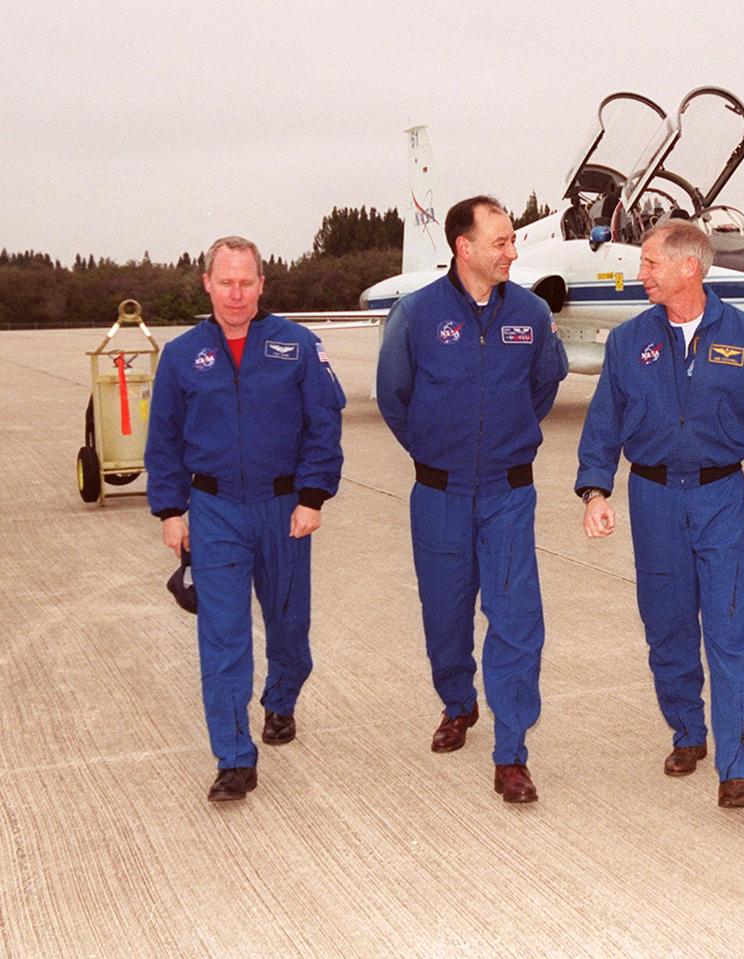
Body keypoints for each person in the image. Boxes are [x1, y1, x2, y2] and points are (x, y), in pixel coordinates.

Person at [575, 221, 744, 808]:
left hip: (719, 497)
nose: (640, 273)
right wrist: (595, 490)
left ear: (688, 269)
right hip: (652, 499)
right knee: (668, 626)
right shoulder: (629, 342)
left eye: (651, 263)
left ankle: (738, 769)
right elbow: (603, 422)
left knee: (731, 630)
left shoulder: (743, 335)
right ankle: (687, 731)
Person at [377, 196, 568, 804]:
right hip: (438, 494)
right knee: (446, 613)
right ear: (465, 248)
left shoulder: (533, 313)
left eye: (513, 241)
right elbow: (394, 396)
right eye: (502, 242)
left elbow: (543, 386)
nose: (513, 252)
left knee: (516, 622)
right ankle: (457, 704)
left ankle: (511, 751)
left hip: (509, 493)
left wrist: (504, 442)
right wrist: (441, 453)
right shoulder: (417, 314)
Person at [145, 235, 345, 802]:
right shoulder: (182, 356)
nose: (236, 294)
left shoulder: (298, 345)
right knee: (222, 637)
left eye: (246, 281)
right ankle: (233, 757)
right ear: (207, 283)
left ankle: (280, 700)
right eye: (225, 281)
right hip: (214, 512)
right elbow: (163, 440)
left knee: (288, 627)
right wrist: (170, 509)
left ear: (262, 284)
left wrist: (313, 497)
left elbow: (323, 427)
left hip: (284, 510)